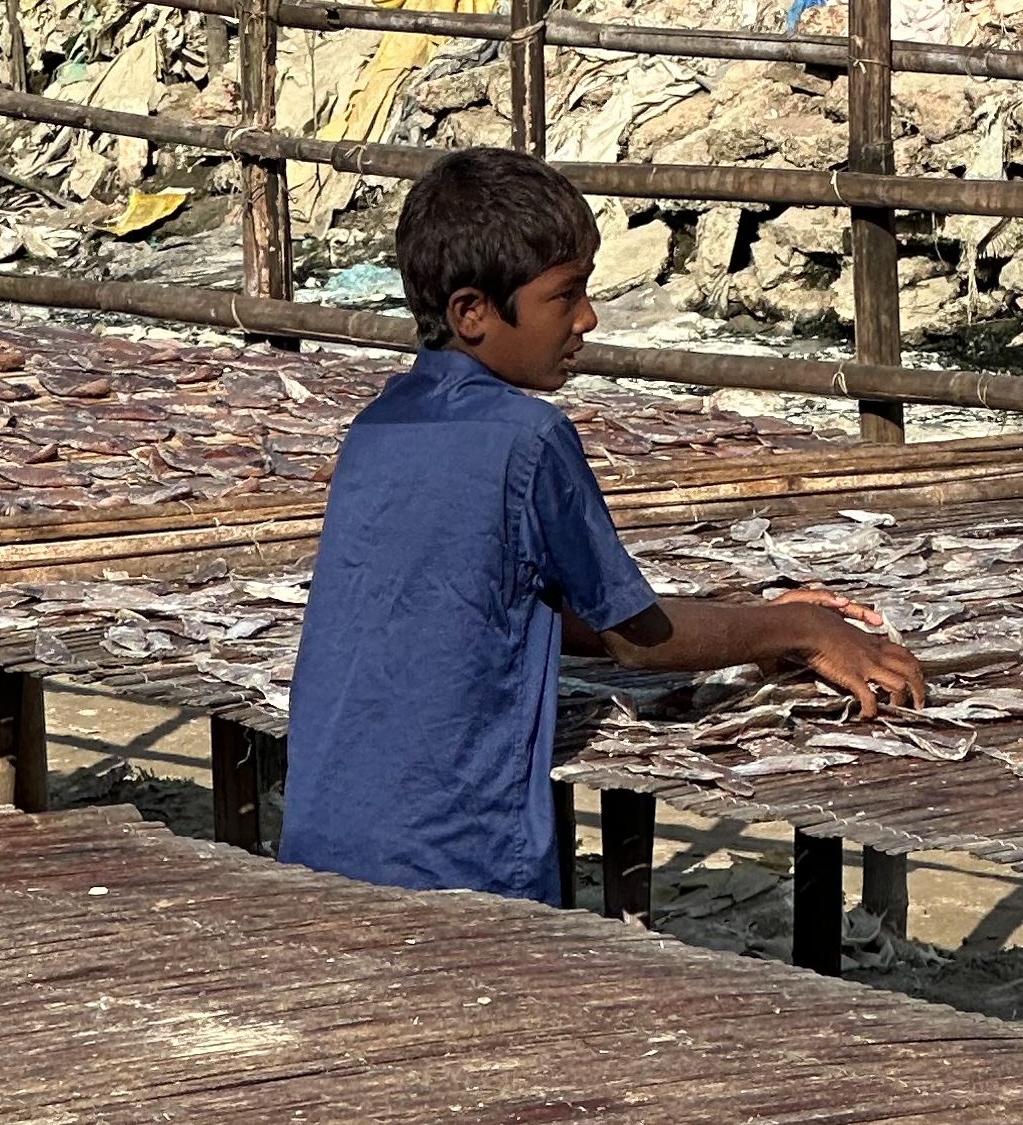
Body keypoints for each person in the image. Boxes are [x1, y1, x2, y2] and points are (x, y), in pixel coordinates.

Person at [281, 149, 923, 902]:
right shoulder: (528, 436)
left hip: (323, 833)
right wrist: (805, 631)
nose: (586, 317)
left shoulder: (377, 425)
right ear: (472, 312)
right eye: (565, 295)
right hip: (456, 853)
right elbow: (634, 638)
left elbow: (490, 605)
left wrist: (752, 619)